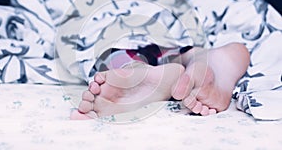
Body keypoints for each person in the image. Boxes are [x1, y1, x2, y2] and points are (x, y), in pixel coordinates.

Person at [70, 42, 250, 120]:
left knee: (110, 53)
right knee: (185, 52)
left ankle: (135, 69)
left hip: (118, 39)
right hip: (176, 39)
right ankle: (208, 58)